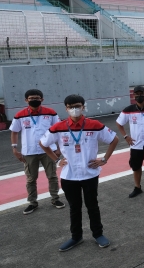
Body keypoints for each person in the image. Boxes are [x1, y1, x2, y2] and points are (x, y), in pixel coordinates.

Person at [39, 94, 119, 252]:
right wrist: (56, 160)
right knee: (74, 207)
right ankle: (76, 237)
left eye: (77, 106)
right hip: (69, 176)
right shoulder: (59, 127)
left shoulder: (94, 125)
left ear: (83, 107)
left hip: (89, 174)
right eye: (70, 107)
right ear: (66, 109)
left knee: (92, 206)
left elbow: (114, 139)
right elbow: (42, 143)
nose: (74, 109)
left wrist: (104, 159)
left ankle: (98, 234)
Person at [9, 89, 65, 215]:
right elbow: (14, 132)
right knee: (31, 179)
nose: (34, 99)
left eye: (37, 97)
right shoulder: (20, 115)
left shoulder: (50, 113)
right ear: (26, 100)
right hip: (29, 152)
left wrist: (59, 148)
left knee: (52, 176)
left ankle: (55, 199)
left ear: (42, 99)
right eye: (31, 98)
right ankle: (32, 203)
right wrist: (14, 149)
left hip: (48, 150)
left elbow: (60, 130)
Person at [116, 86, 144, 198]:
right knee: (136, 167)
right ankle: (137, 187)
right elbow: (119, 123)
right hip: (136, 144)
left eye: (141, 93)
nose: (139, 96)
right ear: (134, 96)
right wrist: (126, 136)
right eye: (137, 94)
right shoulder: (128, 110)